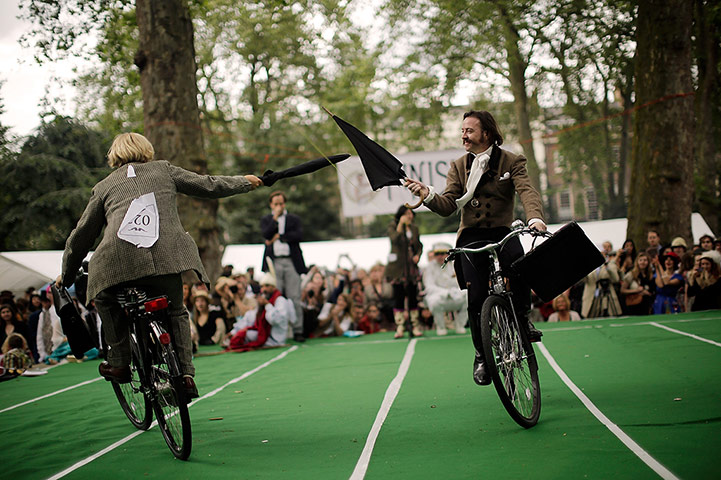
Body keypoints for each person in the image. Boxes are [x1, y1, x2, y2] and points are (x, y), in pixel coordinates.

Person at [60, 132, 262, 400]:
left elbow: (81, 236)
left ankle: (119, 363)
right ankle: (186, 376)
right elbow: (208, 185)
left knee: (105, 299)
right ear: (147, 150)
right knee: (176, 311)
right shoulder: (163, 170)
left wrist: (68, 274)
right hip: (166, 259)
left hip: (117, 264)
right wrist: (244, 183)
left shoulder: (104, 187)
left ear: (114, 156)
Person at [405, 109, 545, 386]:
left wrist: (535, 218)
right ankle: (482, 355)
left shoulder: (512, 160)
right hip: (471, 236)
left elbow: (527, 191)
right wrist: (427, 195)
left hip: (502, 230)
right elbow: (447, 206)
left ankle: (523, 317)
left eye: (469, 130)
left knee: (519, 264)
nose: (463, 136)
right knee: (477, 297)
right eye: (462, 131)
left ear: (487, 133)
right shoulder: (459, 166)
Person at [260, 190, 307, 343]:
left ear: (284, 204)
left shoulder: (293, 219)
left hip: (291, 261)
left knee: (294, 296)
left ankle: (298, 329)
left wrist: (280, 236)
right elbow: (266, 234)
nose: (279, 206)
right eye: (276, 204)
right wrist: (275, 218)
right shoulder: (267, 219)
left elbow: (299, 235)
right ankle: (277, 331)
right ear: (271, 205)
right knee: (276, 296)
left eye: (281, 203)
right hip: (274, 262)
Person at [227, 270, 292, 350]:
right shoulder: (264, 298)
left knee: (246, 335)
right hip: (263, 335)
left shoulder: (280, 300)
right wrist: (234, 331)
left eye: (267, 286)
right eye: (262, 286)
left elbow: (275, 320)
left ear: (273, 287)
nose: (264, 289)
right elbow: (251, 317)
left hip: (275, 339)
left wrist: (267, 305)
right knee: (243, 333)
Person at [385, 205, 424, 339]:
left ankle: (415, 325)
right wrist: (400, 226)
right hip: (398, 268)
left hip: (410, 266)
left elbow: (419, 245)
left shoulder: (414, 228)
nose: (409, 216)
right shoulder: (393, 226)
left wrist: (418, 255)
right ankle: (400, 326)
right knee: (399, 296)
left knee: (413, 295)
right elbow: (394, 240)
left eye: (411, 213)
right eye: (406, 213)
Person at [422, 242, 468, 335]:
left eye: (442, 253)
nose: (440, 256)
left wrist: (455, 292)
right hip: (439, 296)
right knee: (433, 302)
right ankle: (441, 326)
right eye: (437, 254)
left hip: (456, 296)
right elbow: (429, 286)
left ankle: (460, 325)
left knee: (469, 297)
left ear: (447, 254)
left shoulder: (455, 265)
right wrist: (445, 293)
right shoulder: (430, 267)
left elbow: (461, 283)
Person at [581, 253, 622, 318]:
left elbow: (616, 279)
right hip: (590, 298)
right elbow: (582, 281)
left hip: (607, 297)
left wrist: (607, 266)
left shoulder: (610, 265)